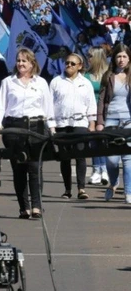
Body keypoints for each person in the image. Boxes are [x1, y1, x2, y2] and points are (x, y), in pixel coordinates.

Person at [0, 48, 56, 219]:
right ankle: (24, 207)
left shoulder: (41, 82)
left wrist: (52, 128)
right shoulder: (8, 82)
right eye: (18, 60)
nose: (20, 64)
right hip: (14, 127)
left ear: (32, 63)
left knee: (35, 167)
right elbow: (1, 107)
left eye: (24, 61)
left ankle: (37, 205)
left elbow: (48, 107)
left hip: (37, 127)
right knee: (19, 168)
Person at [50, 53, 94, 200]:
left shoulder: (85, 83)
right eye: (67, 63)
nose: (69, 66)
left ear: (80, 66)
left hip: (80, 123)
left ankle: (81, 188)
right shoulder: (56, 81)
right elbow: (49, 104)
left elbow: (91, 104)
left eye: (72, 64)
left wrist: (92, 123)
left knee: (80, 156)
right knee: (65, 158)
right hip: (62, 124)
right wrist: (51, 125)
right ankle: (67, 189)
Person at [95, 44, 131, 203]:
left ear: (129, 58)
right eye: (118, 56)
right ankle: (114, 182)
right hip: (111, 120)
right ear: (114, 58)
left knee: (129, 159)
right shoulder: (108, 76)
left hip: (129, 120)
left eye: (124, 56)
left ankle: (129, 192)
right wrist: (99, 122)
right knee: (111, 160)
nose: (121, 60)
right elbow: (102, 100)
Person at [86, 47, 110, 185]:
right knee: (93, 141)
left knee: (104, 141)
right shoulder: (86, 75)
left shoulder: (108, 74)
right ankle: (96, 170)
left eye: (90, 55)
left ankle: (105, 169)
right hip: (91, 112)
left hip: (105, 111)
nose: (88, 58)